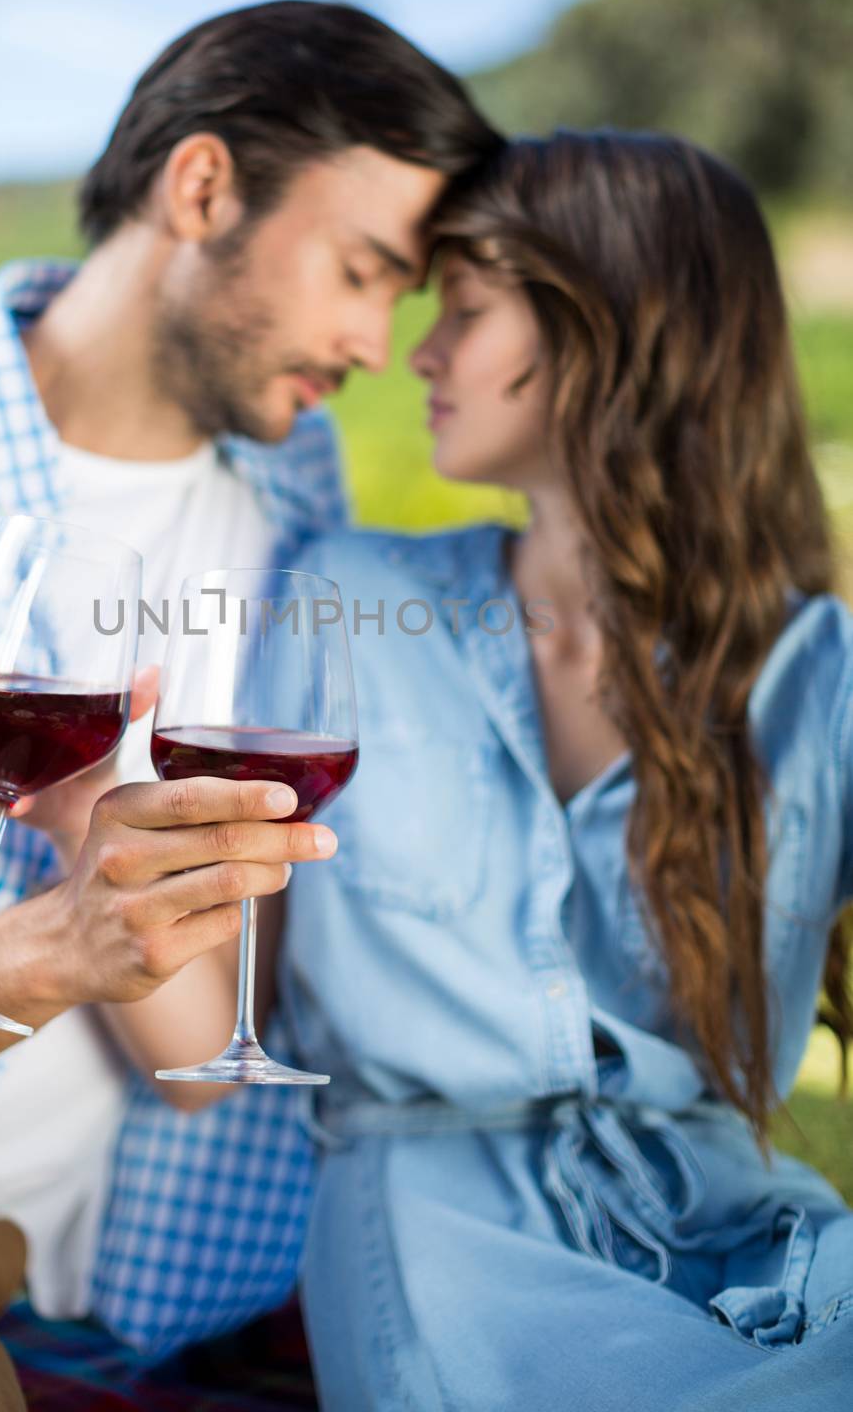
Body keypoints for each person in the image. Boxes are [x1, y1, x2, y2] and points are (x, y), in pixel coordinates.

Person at [0, 0, 499, 1410]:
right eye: (359, 271)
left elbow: (207, 1029)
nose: (372, 340)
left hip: (165, 1236)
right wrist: (59, 936)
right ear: (200, 187)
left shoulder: (293, 491)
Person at [277, 130, 853, 1409]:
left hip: (757, 1231)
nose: (414, 353)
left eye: (465, 313)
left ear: (615, 339)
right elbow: (214, 1010)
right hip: (452, 1240)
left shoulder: (813, 670)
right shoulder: (344, 603)